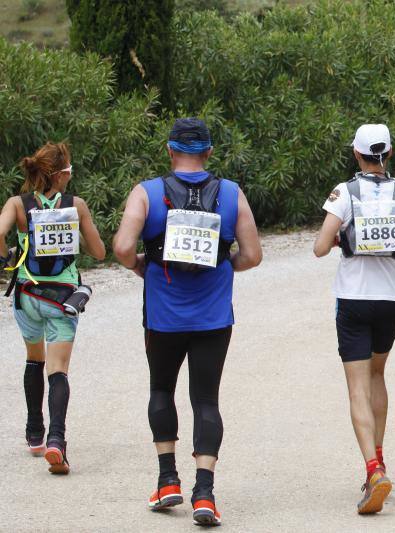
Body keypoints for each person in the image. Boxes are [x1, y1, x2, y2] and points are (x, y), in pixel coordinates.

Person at [113, 118, 262, 526]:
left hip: (162, 316)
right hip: (214, 316)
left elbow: (123, 247)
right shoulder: (231, 193)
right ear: (209, 153)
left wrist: (143, 265)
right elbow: (252, 255)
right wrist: (224, 264)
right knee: (206, 400)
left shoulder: (148, 192)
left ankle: (166, 481)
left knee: (161, 389)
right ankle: (205, 493)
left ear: (169, 150)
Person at [313, 124, 395, 514]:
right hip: (392, 298)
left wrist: (336, 239)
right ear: (390, 153)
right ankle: (378, 461)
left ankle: (373, 469)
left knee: (357, 388)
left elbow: (318, 247)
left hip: (353, 297)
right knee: (378, 375)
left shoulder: (344, 192)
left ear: (355, 154)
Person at [0, 142, 106, 474]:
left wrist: (6, 259)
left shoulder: (18, 204)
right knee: (58, 370)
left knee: (34, 358)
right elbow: (100, 253)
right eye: (69, 169)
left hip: (27, 296)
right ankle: (57, 441)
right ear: (60, 175)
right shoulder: (77, 206)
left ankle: (35, 433)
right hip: (62, 299)